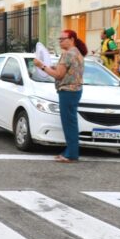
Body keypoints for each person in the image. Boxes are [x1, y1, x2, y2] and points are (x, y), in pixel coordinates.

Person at [34, 29, 87, 163]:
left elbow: (58, 75)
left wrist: (42, 66)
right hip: (75, 90)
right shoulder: (77, 52)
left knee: (69, 123)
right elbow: (62, 71)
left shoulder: (68, 54)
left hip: (68, 91)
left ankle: (71, 154)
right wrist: (51, 67)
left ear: (72, 39)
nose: (60, 41)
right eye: (60, 39)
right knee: (71, 122)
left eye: (63, 39)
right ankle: (70, 151)